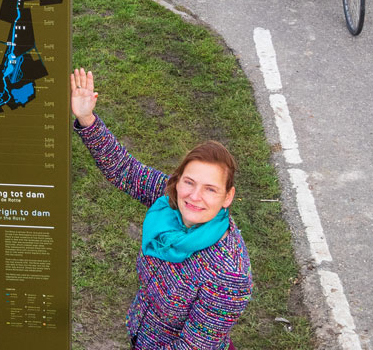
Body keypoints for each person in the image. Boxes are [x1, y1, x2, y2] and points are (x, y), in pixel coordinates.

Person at [70, 68, 252, 349]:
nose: (194, 196)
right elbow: (124, 169)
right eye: (189, 182)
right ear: (177, 182)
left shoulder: (229, 275)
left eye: (210, 189)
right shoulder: (170, 200)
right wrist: (86, 117)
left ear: (228, 197)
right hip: (143, 334)